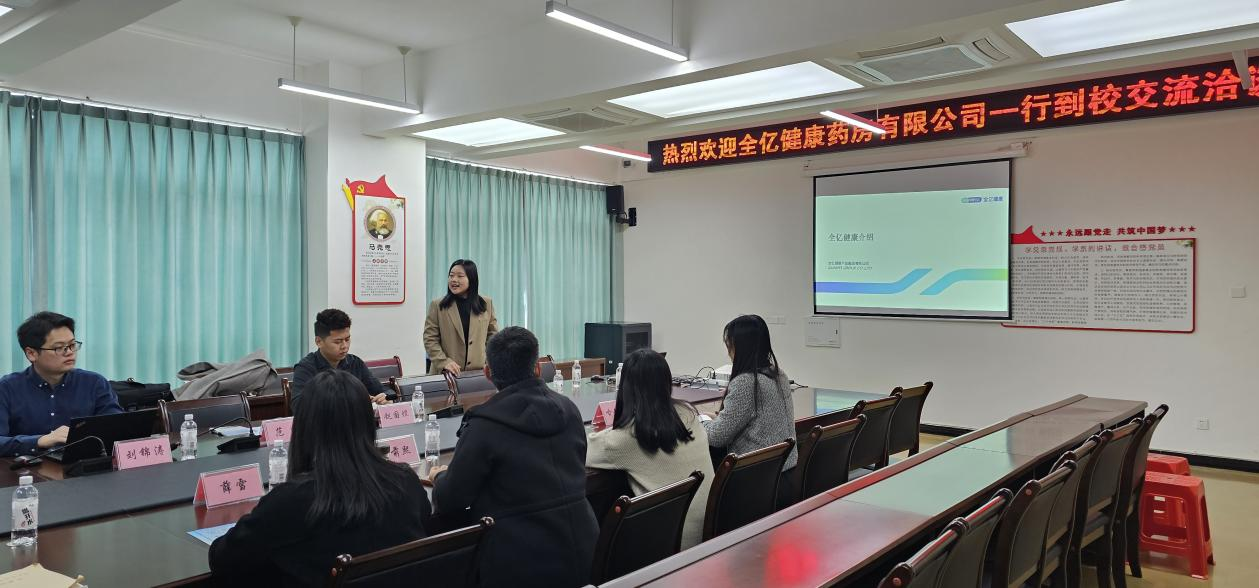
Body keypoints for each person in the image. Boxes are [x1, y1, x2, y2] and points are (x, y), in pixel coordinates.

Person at [209, 370, 431, 586]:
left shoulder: (292, 500)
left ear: (304, 427)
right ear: (368, 423)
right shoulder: (405, 481)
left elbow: (223, 559)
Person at [428, 327, 597, 588]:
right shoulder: (570, 410)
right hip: (586, 554)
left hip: (517, 565)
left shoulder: (484, 425)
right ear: (538, 368)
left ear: (488, 373)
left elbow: (451, 499)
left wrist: (439, 477)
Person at [586, 348, 715, 549]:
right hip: (709, 533)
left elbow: (584, 450)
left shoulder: (628, 438)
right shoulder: (689, 413)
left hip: (669, 546)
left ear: (626, 388)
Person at [702, 314, 797, 504]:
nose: (728, 352)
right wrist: (720, 418)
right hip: (786, 477)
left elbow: (717, 437)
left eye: (729, 345)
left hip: (755, 485)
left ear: (739, 347)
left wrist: (702, 420)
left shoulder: (747, 382)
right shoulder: (779, 374)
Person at [0, 312, 122, 456]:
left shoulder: (94, 383)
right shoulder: (7, 388)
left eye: (72, 345)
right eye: (59, 348)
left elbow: (118, 428)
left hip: (83, 465)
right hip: (28, 467)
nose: (69, 352)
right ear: (31, 353)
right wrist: (39, 441)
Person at [290, 309, 389, 410]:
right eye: (338, 342)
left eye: (347, 339)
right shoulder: (306, 367)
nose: (344, 346)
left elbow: (385, 391)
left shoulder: (355, 363)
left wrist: (386, 397)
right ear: (319, 341)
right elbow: (298, 406)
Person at [423, 259, 498, 375]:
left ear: (471, 279)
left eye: (460, 276)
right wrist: (444, 362)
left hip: (478, 373)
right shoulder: (437, 305)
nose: (454, 279)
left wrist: (489, 361)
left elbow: (493, 336)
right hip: (446, 374)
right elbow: (430, 339)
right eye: (451, 275)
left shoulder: (486, 303)